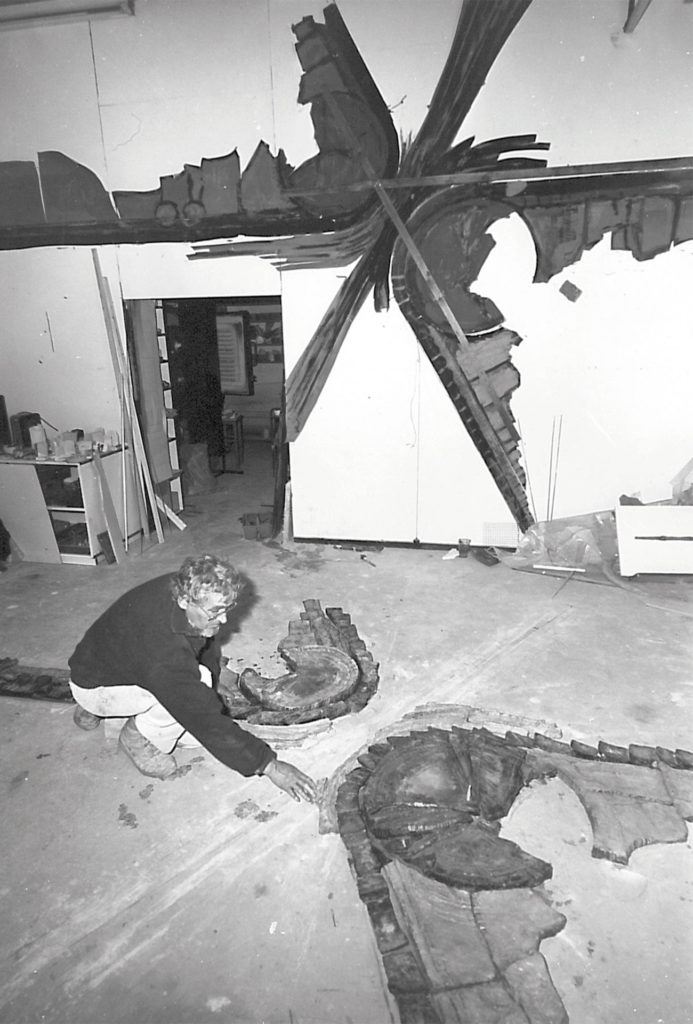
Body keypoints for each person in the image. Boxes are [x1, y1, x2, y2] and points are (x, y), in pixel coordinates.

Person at [68, 553, 317, 802]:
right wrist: (270, 766)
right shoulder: (164, 656)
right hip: (98, 685)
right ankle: (137, 738)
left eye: (228, 608)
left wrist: (217, 674)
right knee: (198, 686)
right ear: (186, 601)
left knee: (204, 674)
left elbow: (201, 639)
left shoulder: (185, 588)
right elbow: (203, 719)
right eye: (216, 611)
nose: (224, 619)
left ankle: (93, 710)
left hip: (99, 663)